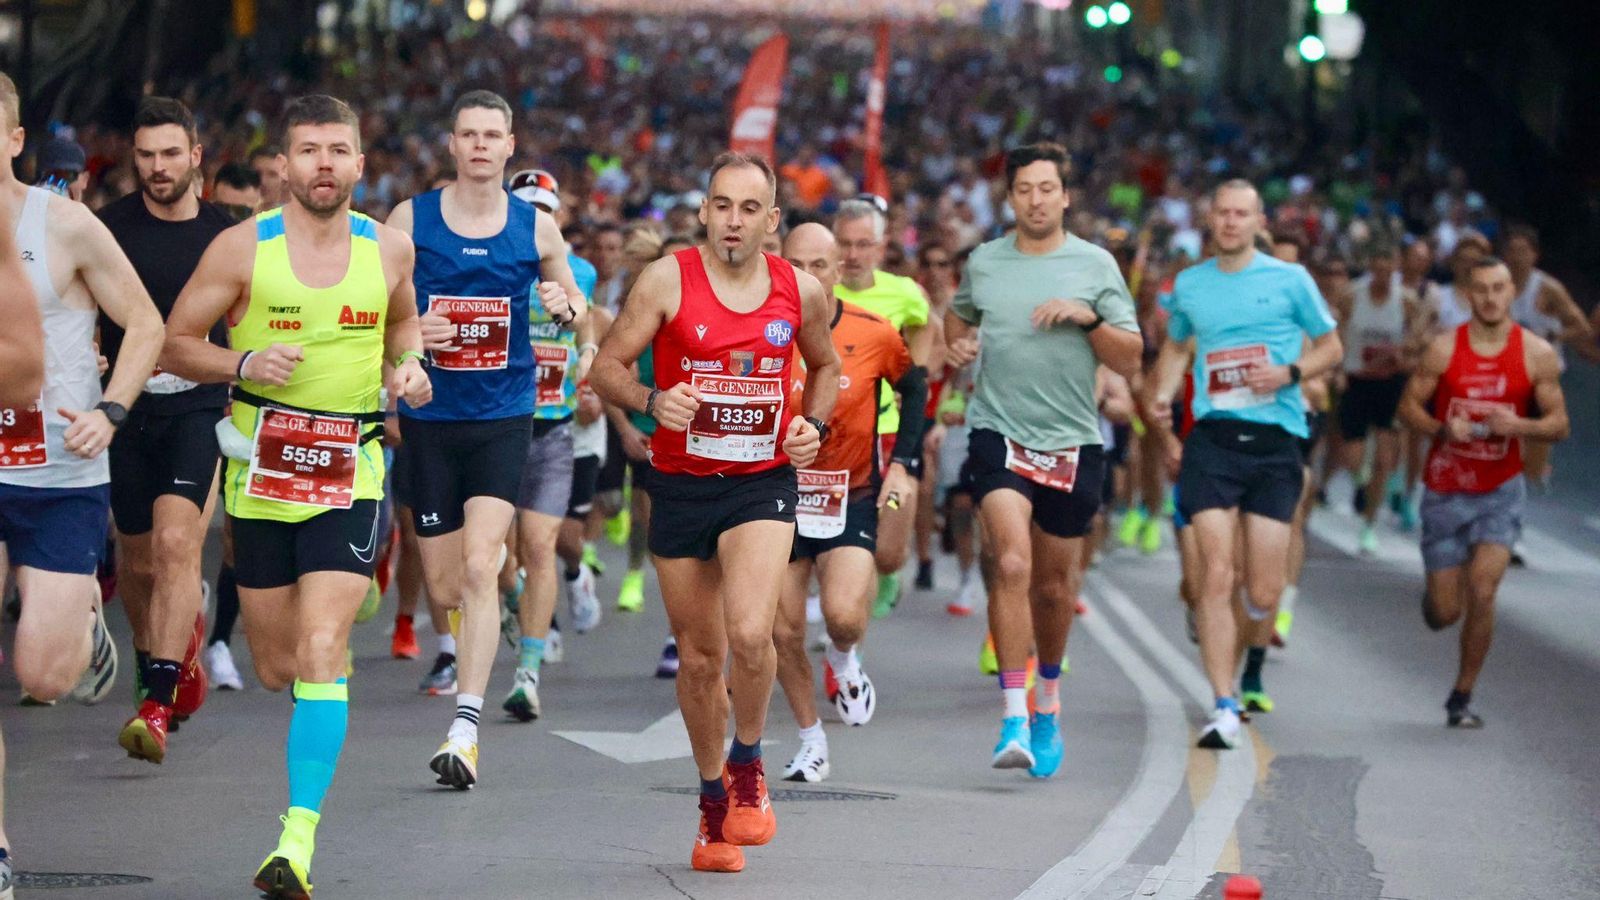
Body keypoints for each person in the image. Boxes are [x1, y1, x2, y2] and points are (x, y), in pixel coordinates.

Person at [162, 93, 432, 898]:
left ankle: (297, 836)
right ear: (285, 165)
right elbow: (173, 342)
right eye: (308, 150)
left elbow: (404, 326)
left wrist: (408, 369)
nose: (323, 164)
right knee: (278, 666)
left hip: (353, 467)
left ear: (358, 162)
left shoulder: (388, 251)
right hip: (263, 472)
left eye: (337, 150)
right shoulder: (242, 249)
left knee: (320, 650)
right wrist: (241, 366)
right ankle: (330, 631)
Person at [591, 151, 839, 873]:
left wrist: (813, 428)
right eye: (721, 206)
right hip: (681, 483)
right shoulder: (666, 280)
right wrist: (650, 400)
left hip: (760, 483)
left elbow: (825, 368)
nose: (733, 221)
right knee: (701, 660)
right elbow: (605, 366)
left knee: (752, 632)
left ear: (772, 220)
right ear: (704, 211)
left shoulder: (800, 291)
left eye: (749, 208)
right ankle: (710, 813)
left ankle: (749, 763)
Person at [386, 91, 585, 787]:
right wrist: (410, 342)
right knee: (447, 581)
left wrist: (566, 302)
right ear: (452, 144)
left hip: (504, 420)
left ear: (509, 145)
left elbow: (575, 303)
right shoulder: (409, 221)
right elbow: (378, 317)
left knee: (477, 565)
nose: (479, 145)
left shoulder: (534, 230)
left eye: (491, 135)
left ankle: (464, 728)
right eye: (467, 133)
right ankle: (483, 619)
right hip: (431, 423)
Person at [0, 69, 162, 890]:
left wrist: (113, 407)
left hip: (59, 467)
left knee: (42, 678)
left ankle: (82, 628)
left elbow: (145, 323)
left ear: (16, 140)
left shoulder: (61, 225)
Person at [945, 142, 1142, 775]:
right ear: (1010, 198)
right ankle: (1012, 715)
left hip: (1072, 441)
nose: (1035, 199)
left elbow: (1130, 357)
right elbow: (956, 324)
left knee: (1055, 590)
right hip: (997, 430)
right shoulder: (985, 262)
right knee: (1008, 561)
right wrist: (962, 349)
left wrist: (1088, 320)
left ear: (1065, 196)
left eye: (1046, 188)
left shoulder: (1095, 265)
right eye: (1024, 189)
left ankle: (1048, 702)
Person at [1147, 179, 1341, 750]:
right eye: (1222, 213)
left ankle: (1239, 629)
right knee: (1215, 574)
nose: (1231, 223)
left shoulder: (1290, 281)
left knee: (1263, 587)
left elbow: (1331, 346)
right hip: (1213, 441)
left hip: (1276, 440)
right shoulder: (1189, 285)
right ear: (1210, 219)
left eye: (1241, 214)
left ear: (1259, 222)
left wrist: (1289, 374)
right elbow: (1179, 347)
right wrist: (1162, 395)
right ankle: (1224, 702)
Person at [99, 96, 238, 763]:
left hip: (198, 407)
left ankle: (154, 703)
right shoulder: (108, 229)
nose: (158, 168)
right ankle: (171, 647)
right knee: (139, 560)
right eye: (147, 156)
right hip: (126, 407)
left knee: (180, 544)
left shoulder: (225, 234)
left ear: (196, 157)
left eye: (170, 154)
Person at [773, 223, 927, 783]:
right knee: (782, 630)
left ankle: (842, 659)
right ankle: (811, 738)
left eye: (820, 265)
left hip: (851, 493)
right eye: (796, 265)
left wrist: (903, 468)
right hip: (776, 498)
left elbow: (915, 390)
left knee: (842, 616)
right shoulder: (762, 329)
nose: (808, 277)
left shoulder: (876, 331)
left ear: (839, 271)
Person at [1398, 256, 1568, 728]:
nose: (1491, 298)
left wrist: (1521, 424)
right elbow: (1407, 407)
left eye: (1499, 288)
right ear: (1468, 296)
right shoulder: (1444, 349)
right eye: (1481, 290)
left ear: (1512, 291)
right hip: (1447, 489)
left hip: (1500, 491)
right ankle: (1435, 600)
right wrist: (1439, 429)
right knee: (1445, 612)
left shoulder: (1536, 353)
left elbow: (1560, 424)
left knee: (1484, 589)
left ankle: (1461, 695)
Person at [832, 196, 938, 618]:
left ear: (881, 246)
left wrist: (913, 375)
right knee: (838, 539)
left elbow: (927, 326)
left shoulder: (904, 293)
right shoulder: (819, 292)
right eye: (845, 244)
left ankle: (889, 568)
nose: (853, 255)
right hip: (834, 438)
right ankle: (844, 632)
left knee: (888, 548)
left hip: (889, 434)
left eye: (863, 244)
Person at [1332, 241, 1423, 554]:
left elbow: (1418, 337)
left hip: (1389, 382)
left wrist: (1405, 354)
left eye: (1389, 268)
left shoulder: (1407, 301)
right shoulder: (1351, 295)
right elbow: (1335, 331)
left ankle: (1368, 526)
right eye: (1378, 268)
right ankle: (1361, 480)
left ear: (1396, 268)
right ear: (1370, 267)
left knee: (1385, 459)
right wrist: (1339, 368)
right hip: (1357, 379)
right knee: (1352, 456)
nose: (1383, 274)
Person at [1501, 225, 1590, 488]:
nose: (1518, 257)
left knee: (1535, 439)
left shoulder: (1548, 289)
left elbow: (1582, 327)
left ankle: (1534, 473)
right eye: (1513, 251)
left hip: (1543, 373)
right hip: (1507, 370)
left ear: (1534, 255)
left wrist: (1553, 337)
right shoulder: (1497, 284)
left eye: (1523, 251)